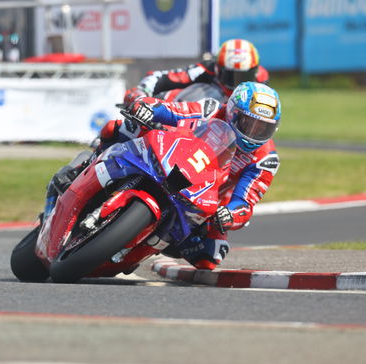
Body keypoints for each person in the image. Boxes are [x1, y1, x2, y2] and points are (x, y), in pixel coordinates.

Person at [97, 81, 281, 269]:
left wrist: (230, 214)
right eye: (249, 123)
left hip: (205, 199)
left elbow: (245, 202)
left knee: (211, 255)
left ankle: (144, 246)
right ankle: (81, 169)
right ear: (233, 112)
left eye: (262, 128)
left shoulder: (266, 160)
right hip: (172, 160)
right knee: (121, 127)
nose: (254, 133)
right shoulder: (212, 109)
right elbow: (174, 111)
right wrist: (147, 107)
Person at [123, 38, 269, 105]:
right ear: (218, 68)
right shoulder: (204, 69)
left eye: (245, 76)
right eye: (231, 76)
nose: (238, 83)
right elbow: (162, 77)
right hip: (192, 118)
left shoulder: (261, 80)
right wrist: (141, 92)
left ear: (255, 70)